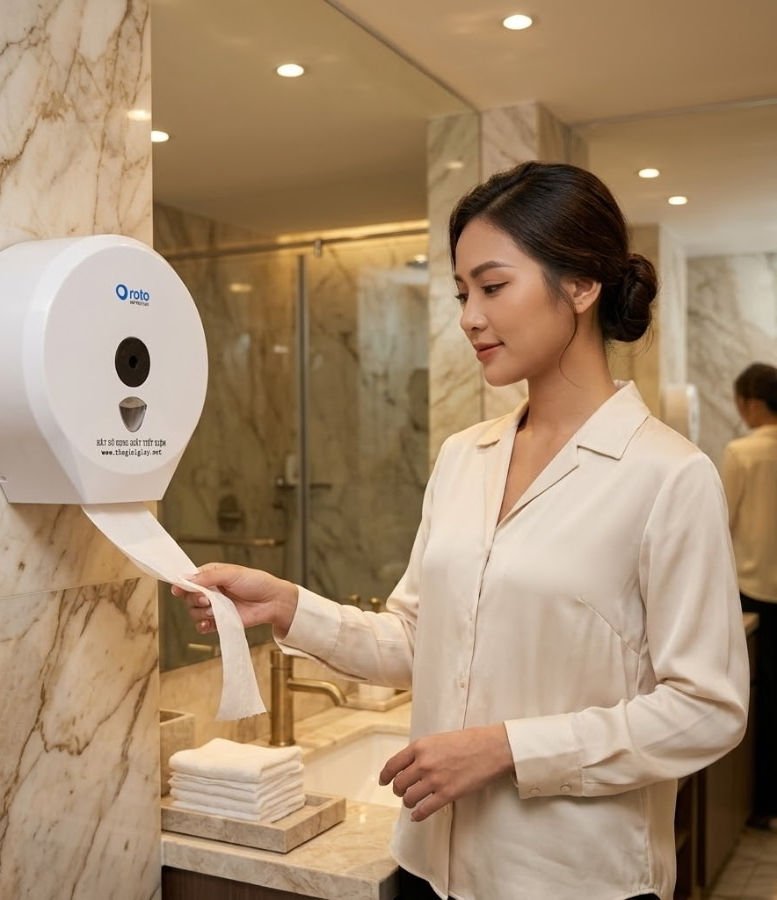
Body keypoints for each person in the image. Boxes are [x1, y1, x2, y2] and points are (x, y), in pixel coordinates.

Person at [173, 162, 749, 900]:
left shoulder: (668, 475)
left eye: (492, 286)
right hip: (428, 868)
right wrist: (288, 605)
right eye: (461, 293)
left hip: (571, 882)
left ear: (581, 285)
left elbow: (706, 710)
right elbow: (419, 642)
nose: (469, 317)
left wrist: (509, 748)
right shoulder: (462, 456)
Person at [721, 362, 777, 829]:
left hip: (753, 594)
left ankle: (760, 806)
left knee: (759, 707)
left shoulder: (742, 453)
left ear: (753, 404)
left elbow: (719, 525)